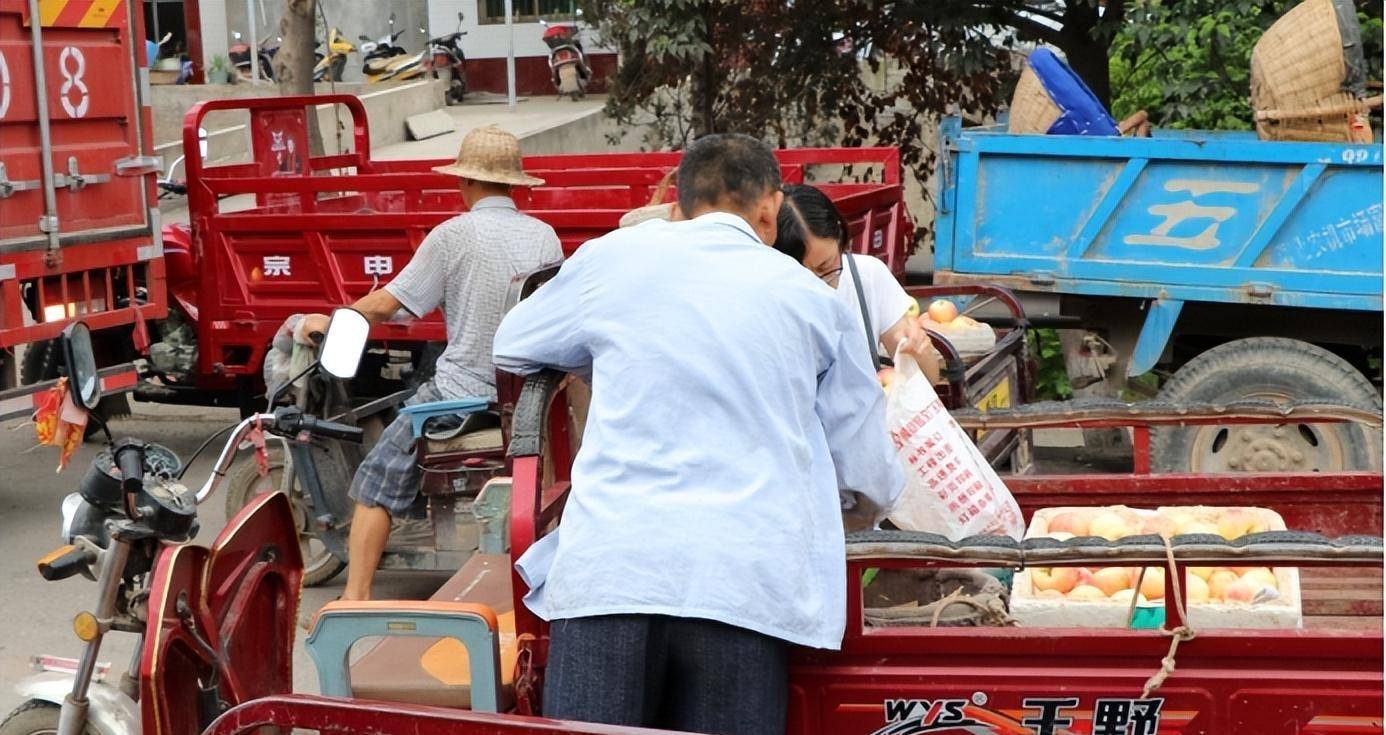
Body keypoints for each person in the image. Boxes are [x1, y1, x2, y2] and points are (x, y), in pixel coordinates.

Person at [492, 134, 904, 735]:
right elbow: (865, 468)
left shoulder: (613, 259)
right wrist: (855, 517)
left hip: (611, 573)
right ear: (771, 208)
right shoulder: (811, 300)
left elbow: (514, 343)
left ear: (678, 205)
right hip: (741, 584)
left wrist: (607, 357)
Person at [299, 125, 562, 601]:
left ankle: (353, 598)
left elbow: (388, 304)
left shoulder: (453, 235)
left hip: (459, 396)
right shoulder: (543, 236)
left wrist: (336, 320)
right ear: (514, 185)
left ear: (465, 183)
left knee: (373, 481)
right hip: (523, 396)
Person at [774, 183, 941, 383]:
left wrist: (920, 351)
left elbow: (928, 380)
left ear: (840, 236)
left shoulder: (867, 276)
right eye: (804, 276)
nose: (820, 285)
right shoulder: (771, 301)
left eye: (826, 266)